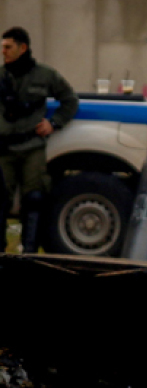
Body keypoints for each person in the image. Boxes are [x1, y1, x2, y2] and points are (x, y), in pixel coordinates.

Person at [0, 26, 78, 254]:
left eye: (8, 47)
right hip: (4, 148)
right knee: (1, 199)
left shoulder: (45, 75)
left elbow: (70, 100)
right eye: (2, 47)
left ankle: (31, 251)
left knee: (33, 200)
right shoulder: (1, 76)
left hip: (32, 147)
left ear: (22, 48)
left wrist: (53, 124)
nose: (3, 52)